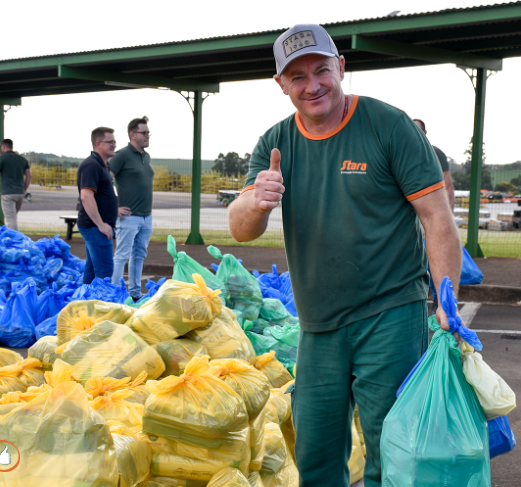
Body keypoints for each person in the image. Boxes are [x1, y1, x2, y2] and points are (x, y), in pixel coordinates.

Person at [228, 24, 463, 487]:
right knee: (315, 449)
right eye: (297, 77)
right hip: (318, 324)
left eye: (321, 70)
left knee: (390, 446)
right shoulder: (276, 143)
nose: (312, 85)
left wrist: (445, 304)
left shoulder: (386, 125)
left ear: (341, 67)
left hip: (390, 312)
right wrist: (255, 201)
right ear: (281, 85)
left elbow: (437, 218)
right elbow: (241, 229)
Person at [110, 117, 154, 301]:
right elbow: (104, 178)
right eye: (144, 133)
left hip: (145, 217)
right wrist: (114, 205)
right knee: (121, 256)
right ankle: (115, 295)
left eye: (148, 133)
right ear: (132, 135)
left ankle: (135, 293)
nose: (147, 136)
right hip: (128, 217)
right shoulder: (122, 155)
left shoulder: (145, 156)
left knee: (138, 256)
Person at [77, 127, 118, 284]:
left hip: (96, 226)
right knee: (105, 272)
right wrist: (101, 224)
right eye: (110, 142)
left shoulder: (101, 165)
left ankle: (84, 303)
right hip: (95, 227)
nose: (114, 145)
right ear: (98, 144)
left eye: (115, 141)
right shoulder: (92, 165)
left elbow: (102, 195)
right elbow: (86, 197)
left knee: (93, 269)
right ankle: (100, 307)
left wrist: (116, 208)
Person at [413, 118, 455, 210]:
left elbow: (448, 186)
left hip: (433, 209)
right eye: (412, 129)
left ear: (424, 132)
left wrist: (448, 213)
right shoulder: (406, 156)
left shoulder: (435, 153)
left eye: (417, 129)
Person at [0, 139, 31, 231]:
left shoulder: (3, 159)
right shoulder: (22, 159)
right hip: (20, 193)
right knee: (12, 218)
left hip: (7, 194)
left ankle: (15, 242)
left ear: (3, 147)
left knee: (11, 220)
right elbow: (29, 176)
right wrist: (24, 190)